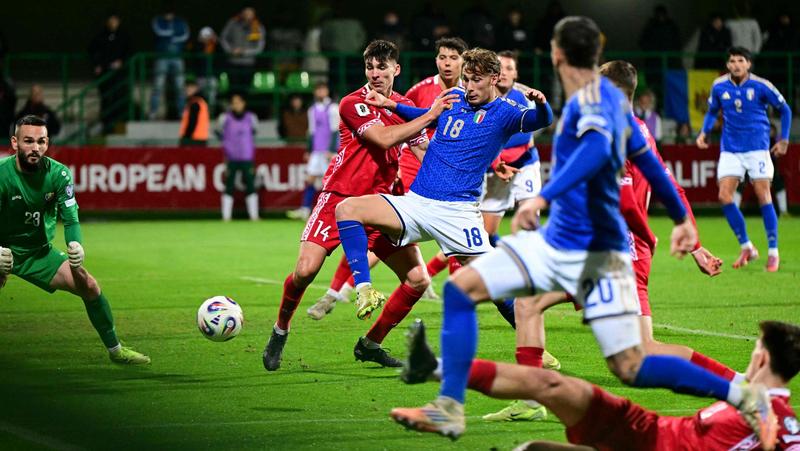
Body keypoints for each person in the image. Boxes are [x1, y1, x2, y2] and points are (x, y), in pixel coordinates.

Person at [389, 17, 772, 442]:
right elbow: (651, 164)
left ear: (556, 54)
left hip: (597, 249)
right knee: (475, 292)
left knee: (632, 363)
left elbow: (595, 152)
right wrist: (683, 221)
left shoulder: (594, 102)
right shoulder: (604, 103)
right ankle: (453, 405)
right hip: (563, 241)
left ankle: (741, 392)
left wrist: (544, 197)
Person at [333, 48, 552, 365]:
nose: (469, 87)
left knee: (496, 285)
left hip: (458, 214)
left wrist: (542, 104)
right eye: (467, 79)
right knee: (347, 209)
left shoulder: (505, 111)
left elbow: (540, 120)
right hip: (417, 203)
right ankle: (364, 290)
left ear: (493, 78)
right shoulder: (455, 98)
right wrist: (390, 104)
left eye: (476, 80)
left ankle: (534, 349)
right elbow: (423, 113)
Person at [260, 40, 455, 372]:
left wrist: (453, 181)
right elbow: (382, 138)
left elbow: (423, 153)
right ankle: (281, 329)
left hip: (381, 205)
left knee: (418, 280)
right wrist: (430, 115)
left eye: (382, 67)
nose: (375, 73)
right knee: (305, 271)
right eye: (369, 67)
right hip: (339, 197)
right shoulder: (353, 102)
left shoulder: (405, 105)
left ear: (396, 69)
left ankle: (370, 344)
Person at [401, 319, 796, 451]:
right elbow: (690, 367)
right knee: (551, 386)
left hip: (653, 441)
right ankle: (434, 368)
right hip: (646, 430)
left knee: (535, 443)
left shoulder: (781, 420)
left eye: (754, 349)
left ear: (761, 358)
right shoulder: (746, 390)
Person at [303, 36, 468, 320]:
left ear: (463, 62)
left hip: (428, 170)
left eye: (453, 58)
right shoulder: (422, 91)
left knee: (448, 234)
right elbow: (400, 127)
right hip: (405, 170)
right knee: (368, 229)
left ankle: (433, 286)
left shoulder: (468, 95)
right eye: (442, 57)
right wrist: (429, 118)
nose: (447, 63)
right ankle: (340, 290)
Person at [0, 115, 150, 365]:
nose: (35, 147)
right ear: (15, 143)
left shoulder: (59, 174)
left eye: (41, 141)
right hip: (4, 249)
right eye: (28, 141)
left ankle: (116, 350)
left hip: (38, 253)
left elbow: (70, 220)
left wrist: (75, 244)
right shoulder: (1, 174)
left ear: (48, 143)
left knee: (88, 285)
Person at [696, 46, 791, 272]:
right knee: (724, 196)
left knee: (763, 195)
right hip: (731, 149)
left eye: (740, 60)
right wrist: (704, 132)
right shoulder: (719, 86)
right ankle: (747, 246)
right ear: (727, 65)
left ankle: (773, 252)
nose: (736, 65)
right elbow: (712, 111)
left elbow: (785, 109)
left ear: (748, 64)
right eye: (732, 61)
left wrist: (784, 139)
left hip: (757, 147)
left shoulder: (761, 85)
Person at [287, 83, 339, 221]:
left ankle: (332, 210)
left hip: (328, 152)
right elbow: (311, 131)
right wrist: (309, 150)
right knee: (310, 179)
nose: (321, 92)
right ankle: (305, 209)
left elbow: (336, 130)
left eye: (323, 89)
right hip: (316, 151)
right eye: (318, 90)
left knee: (330, 182)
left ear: (327, 91)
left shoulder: (333, 108)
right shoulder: (312, 109)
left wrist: (332, 150)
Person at [216, 92, 259, 221]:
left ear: (244, 103)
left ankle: (254, 216)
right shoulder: (225, 118)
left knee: (250, 185)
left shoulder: (251, 118)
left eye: (239, 102)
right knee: (229, 185)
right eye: (234, 103)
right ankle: (226, 217)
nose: (237, 105)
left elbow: (254, 133)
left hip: (247, 157)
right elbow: (218, 132)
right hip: (231, 157)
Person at [88, 11, 131, 134]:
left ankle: (119, 127)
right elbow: (91, 50)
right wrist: (97, 64)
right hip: (105, 75)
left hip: (119, 75)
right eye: (111, 21)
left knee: (119, 99)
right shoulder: (101, 36)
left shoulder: (124, 36)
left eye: (115, 21)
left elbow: (130, 51)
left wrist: (121, 61)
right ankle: (106, 126)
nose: (113, 23)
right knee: (106, 99)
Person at [149, 2, 190, 119]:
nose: (168, 16)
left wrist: (171, 36)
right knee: (158, 85)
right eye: (166, 14)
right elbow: (159, 31)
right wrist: (173, 34)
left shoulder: (181, 22)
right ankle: (153, 112)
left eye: (170, 13)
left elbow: (185, 35)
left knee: (180, 86)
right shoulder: (157, 20)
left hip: (177, 57)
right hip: (162, 57)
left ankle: (182, 112)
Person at [220, 6, 266, 93]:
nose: (248, 16)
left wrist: (244, 52)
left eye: (250, 13)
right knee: (233, 89)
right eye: (246, 13)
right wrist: (230, 50)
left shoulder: (258, 27)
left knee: (245, 90)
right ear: (242, 13)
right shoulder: (232, 23)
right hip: (233, 62)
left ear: (254, 15)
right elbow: (223, 38)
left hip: (249, 63)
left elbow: (259, 48)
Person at [179, 79, 210, 147]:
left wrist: (186, 138)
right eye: (187, 88)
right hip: (201, 138)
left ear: (196, 89)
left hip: (193, 140)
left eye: (190, 88)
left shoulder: (195, 103)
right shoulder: (201, 102)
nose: (188, 90)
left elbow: (192, 122)